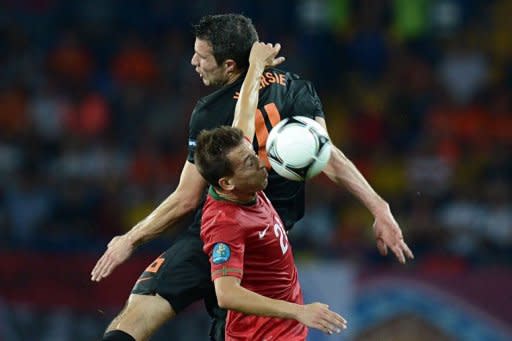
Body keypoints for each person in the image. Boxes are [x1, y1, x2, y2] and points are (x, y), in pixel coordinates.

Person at [91, 14, 413, 341]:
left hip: (223, 230)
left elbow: (187, 198)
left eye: (202, 57)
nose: (193, 62)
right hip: (265, 242)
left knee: (142, 309)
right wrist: (379, 207)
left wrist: (130, 238)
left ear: (230, 66)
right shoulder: (295, 89)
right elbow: (326, 156)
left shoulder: (210, 111)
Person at [196, 41, 347, 340]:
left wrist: (255, 66)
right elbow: (226, 294)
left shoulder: (244, 182)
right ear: (227, 182)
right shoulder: (225, 222)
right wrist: (298, 311)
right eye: (249, 163)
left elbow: (245, 115)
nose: (261, 162)